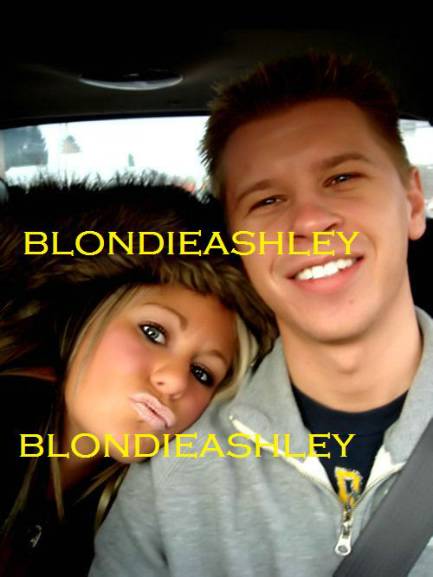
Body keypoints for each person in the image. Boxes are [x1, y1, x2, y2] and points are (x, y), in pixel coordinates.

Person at [90, 53, 433, 577]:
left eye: (342, 177)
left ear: (412, 203)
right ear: (239, 250)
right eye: (267, 200)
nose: (309, 221)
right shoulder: (172, 474)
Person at [0, 176, 276, 577]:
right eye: (153, 332)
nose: (176, 381)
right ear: (87, 316)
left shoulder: (140, 506)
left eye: (202, 372)